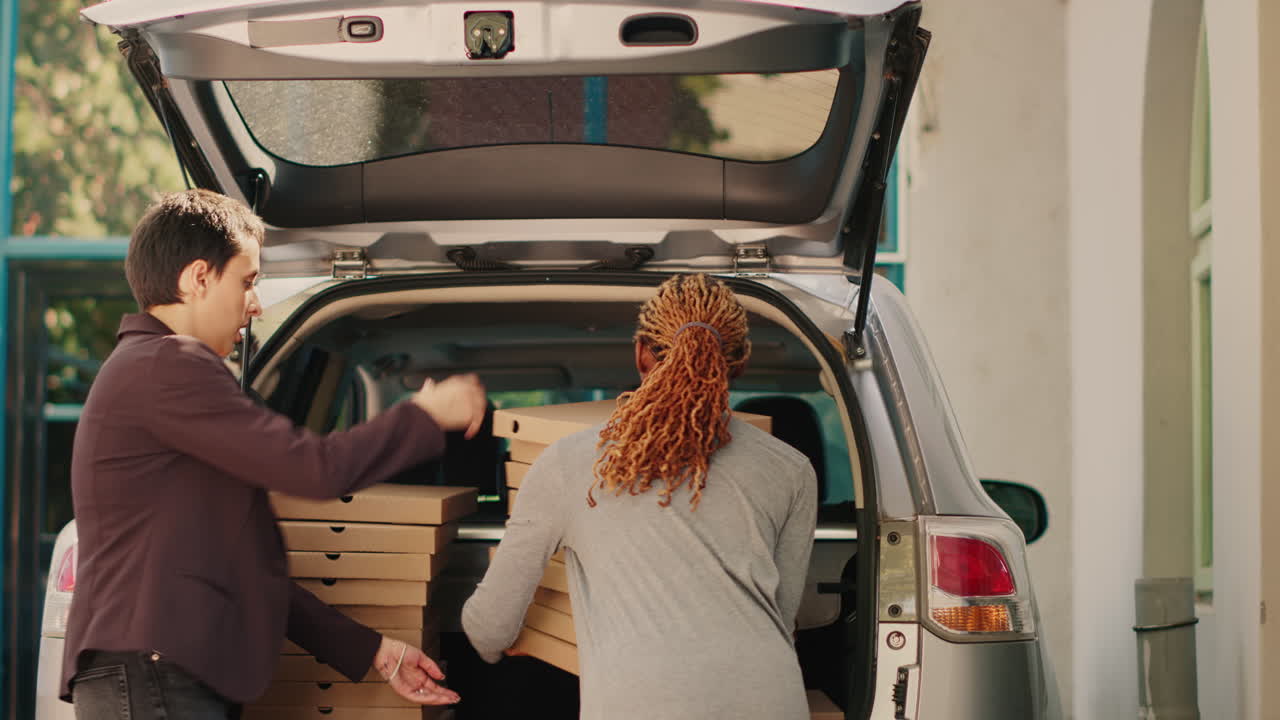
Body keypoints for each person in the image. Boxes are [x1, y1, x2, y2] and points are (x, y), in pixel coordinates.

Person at [61, 189, 477, 719]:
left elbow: (248, 574)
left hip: (154, 674)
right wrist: (424, 416)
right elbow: (316, 469)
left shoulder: (149, 368)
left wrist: (376, 652)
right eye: (247, 281)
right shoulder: (170, 364)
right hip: (154, 674)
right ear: (198, 278)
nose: (255, 304)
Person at [462, 273, 818, 719]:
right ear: (739, 363)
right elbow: (780, 616)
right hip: (770, 701)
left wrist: (501, 644)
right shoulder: (791, 469)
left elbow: (491, 626)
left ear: (640, 354)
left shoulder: (571, 463)